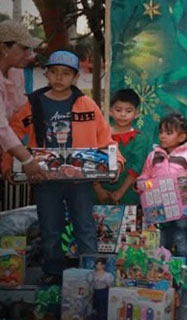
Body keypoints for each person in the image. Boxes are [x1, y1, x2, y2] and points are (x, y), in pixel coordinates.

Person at [8, 49, 124, 285]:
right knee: (50, 226)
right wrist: (7, 166)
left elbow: (106, 139)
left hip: (79, 180)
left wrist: (117, 163)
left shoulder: (87, 105)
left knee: (85, 225)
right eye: (54, 72)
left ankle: (91, 271)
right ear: (47, 73)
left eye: (66, 73)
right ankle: (53, 272)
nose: (59, 77)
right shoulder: (32, 104)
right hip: (44, 179)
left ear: (75, 77)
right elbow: (11, 135)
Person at [138, 113, 187, 258]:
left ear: (181, 137)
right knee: (163, 236)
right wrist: (142, 184)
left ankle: (182, 266)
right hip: (160, 207)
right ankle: (163, 266)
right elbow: (146, 174)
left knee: (181, 235)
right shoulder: (154, 156)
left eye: (168, 133)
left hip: (183, 208)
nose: (163, 136)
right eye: (161, 132)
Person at [0, 21, 46, 189]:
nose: (29, 54)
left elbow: (20, 110)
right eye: (24, 48)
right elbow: (1, 127)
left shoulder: (16, 73)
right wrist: (26, 159)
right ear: (4, 48)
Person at [99, 88, 151, 206]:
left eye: (128, 111)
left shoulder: (140, 139)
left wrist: (120, 192)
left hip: (127, 193)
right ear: (110, 111)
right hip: (99, 194)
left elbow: (136, 167)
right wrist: (99, 190)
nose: (123, 114)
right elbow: (91, 162)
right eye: (118, 110)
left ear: (137, 113)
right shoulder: (101, 134)